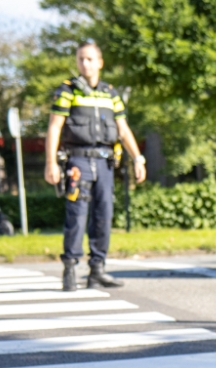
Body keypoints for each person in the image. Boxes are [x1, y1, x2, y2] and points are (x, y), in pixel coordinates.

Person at [43, 39, 146, 291]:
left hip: (105, 163)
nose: (84, 63)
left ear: (100, 62)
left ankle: (97, 270)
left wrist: (138, 158)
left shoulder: (111, 93)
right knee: (77, 215)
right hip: (77, 160)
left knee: (104, 215)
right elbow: (54, 127)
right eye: (80, 59)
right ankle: (70, 268)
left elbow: (123, 129)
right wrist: (50, 163)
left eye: (89, 59)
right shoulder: (68, 90)